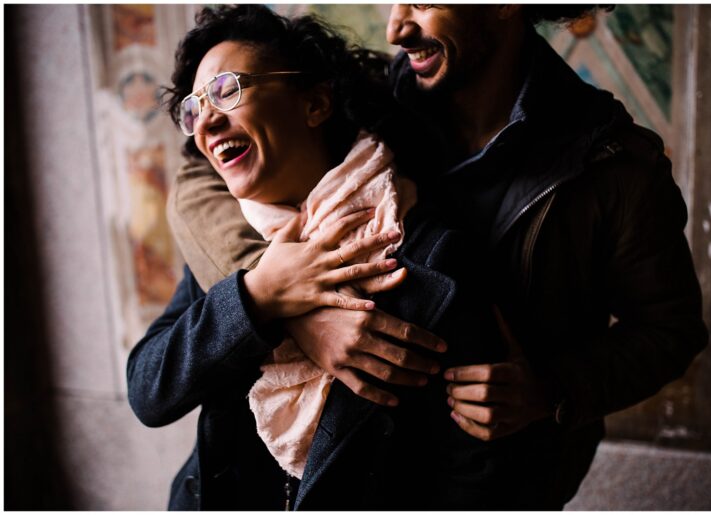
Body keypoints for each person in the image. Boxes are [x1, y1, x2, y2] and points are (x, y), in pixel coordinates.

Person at [164, 3, 709, 511]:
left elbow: (670, 330)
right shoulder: (370, 99)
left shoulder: (616, 165)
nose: (396, 29)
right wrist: (290, 305)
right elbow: (195, 176)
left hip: (501, 486)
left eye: (421, 0)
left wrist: (554, 388)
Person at [128, 5, 518, 510]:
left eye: (227, 89)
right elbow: (147, 390)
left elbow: (477, 469)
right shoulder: (231, 241)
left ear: (314, 103)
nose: (207, 120)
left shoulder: (426, 248)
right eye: (194, 108)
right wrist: (257, 298)